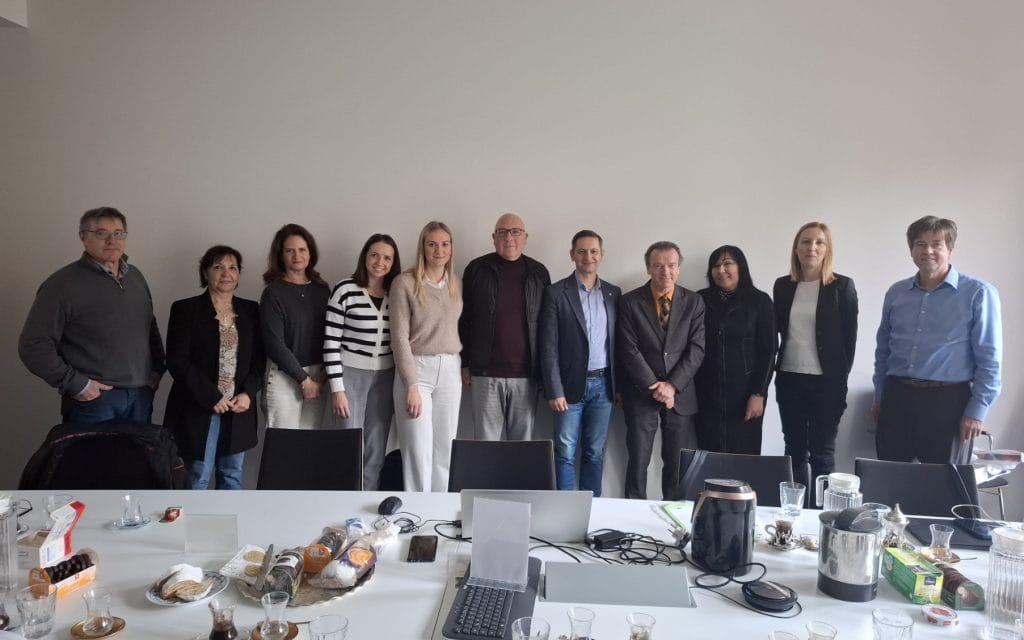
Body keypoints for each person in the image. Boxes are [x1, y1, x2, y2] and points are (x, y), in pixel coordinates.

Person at [872, 215, 1002, 464]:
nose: (928, 251)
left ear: (950, 250)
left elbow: (990, 358)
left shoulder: (978, 293)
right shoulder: (896, 293)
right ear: (911, 250)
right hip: (897, 398)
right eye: (920, 244)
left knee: (943, 482)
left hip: (948, 403)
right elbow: (883, 350)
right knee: (889, 478)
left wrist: (977, 411)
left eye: (936, 244)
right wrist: (880, 396)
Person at [19, 206, 165, 424]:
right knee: (92, 449)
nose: (112, 240)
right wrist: (77, 385)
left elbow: (149, 327)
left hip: (140, 397)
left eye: (118, 233)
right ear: (83, 238)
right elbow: (33, 345)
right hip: (95, 402)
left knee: (136, 449)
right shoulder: (61, 285)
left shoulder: (135, 277)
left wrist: (157, 370)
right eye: (101, 233)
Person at [164, 246, 264, 490]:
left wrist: (248, 393)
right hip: (198, 406)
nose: (226, 273)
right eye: (218, 267)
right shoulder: (185, 309)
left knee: (232, 475)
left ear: (239, 275)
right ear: (205, 272)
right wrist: (211, 397)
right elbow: (177, 361)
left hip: (238, 407)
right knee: (198, 474)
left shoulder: (251, 310)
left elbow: (259, 360)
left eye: (232, 268)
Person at [617, 241, 705, 500]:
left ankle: (673, 517)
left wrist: (672, 385)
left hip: (680, 395)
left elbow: (697, 349)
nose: (665, 271)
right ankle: (632, 514)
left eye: (671, 265)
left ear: (679, 268)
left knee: (677, 466)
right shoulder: (629, 302)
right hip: (641, 393)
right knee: (637, 463)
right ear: (648, 268)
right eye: (658, 265)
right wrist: (654, 386)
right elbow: (628, 350)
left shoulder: (694, 302)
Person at [773, 222, 858, 491]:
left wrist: (839, 380)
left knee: (822, 453)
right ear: (796, 248)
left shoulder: (842, 286)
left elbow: (849, 342)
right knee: (794, 450)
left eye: (819, 242)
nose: (812, 247)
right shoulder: (783, 286)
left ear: (827, 249)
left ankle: (821, 511)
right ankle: (794, 510)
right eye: (806, 241)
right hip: (790, 379)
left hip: (826, 383)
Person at [539, 230, 621, 496]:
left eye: (594, 251)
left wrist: (618, 387)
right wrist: (554, 390)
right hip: (568, 387)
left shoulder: (613, 293)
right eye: (582, 251)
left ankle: (592, 508)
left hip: (603, 387)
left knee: (595, 452)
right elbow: (548, 346)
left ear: (602, 255)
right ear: (572, 255)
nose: (588, 256)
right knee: (564, 451)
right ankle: (565, 509)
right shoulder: (555, 293)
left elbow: (618, 345)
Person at [459, 212, 551, 441]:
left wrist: (544, 370)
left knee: (522, 447)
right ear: (494, 238)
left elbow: (547, 325)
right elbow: (464, 318)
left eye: (515, 232)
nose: (509, 237)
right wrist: (465, 362)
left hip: (526, 377)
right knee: (485, 445)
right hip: (485, 374)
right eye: (502, 232)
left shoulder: (539, 273)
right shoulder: (476, 269)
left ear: (525, 237)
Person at [324, 233, 402, 490]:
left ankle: (367, 499)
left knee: (376, 446)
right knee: (348, 443)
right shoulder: (345, 289)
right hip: (350, 376)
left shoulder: (396, 292)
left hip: (385, 377)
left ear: (393, 262)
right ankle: (343, 499)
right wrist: (337, 389)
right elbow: (331, 342)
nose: (380, 262)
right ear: (365, 257)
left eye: (387, 258)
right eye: (374, 255)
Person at [390, 221, 463, 492]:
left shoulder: (455, 283)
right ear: (423, 247)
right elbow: (399, 337)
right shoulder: (405, 283)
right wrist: (410, 384)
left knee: (445, 449)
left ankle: (439, 510)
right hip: (417, 369)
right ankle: (418, 512)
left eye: (445, 244)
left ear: (451, 248)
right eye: (432, 244)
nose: (439, 250)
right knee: (418, 451)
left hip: (450, 369)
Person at [694, 246, 776, 455]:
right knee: (709, 454)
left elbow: (769, 351)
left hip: (745, 393)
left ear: (741, 267)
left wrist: (759, 393)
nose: (721, 270)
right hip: (707, 393)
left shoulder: (760, 301)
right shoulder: (700, 300)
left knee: (744, 456)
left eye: (727, 263)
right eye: (715, 265)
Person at [259, 223, 331, 429]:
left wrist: (322, 377)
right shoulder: (273, 293)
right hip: (284, 376)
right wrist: (304, 380)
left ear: (310, 253)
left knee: (310, 443)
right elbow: (274, 343)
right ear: (280, 256)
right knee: (285, 444)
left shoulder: (322, 290)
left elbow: (333, 334)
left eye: (302, 250)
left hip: (318, 377)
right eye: (289, 251)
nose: (297, 256)